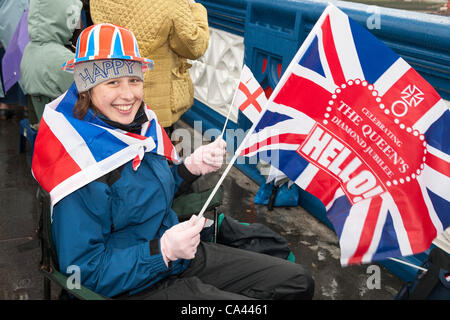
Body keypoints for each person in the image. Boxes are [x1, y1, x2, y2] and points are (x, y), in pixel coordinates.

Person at [32, 24, 314, 300]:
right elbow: (81, 274)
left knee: (297, 281)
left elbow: (141, 195)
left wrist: (187, 169)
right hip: (135, 285)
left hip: (179, 258)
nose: (128, 95)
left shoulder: (138, 127)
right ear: (87, 88)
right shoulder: (80, 164)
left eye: (134, 80)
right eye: (112, 82)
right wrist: (162, 251)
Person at [89, 0, 209, 133]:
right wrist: (195, 8)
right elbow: (195, 47)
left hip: (109, 90)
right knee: (156, 144)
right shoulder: (174, 3)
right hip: (153, 102)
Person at [20, 0, 82, 124]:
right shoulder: (62, 58)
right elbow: (87, 94)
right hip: (63, 128)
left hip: (39, 121)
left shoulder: (30, 49)